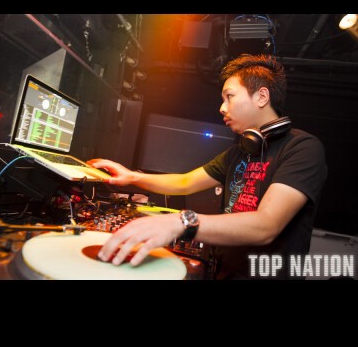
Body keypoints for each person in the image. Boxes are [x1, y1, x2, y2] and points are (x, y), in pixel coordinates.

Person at [88, 54, 327, 280]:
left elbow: (267, 225)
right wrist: (131, 177)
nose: (222, 108)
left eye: (229, 96)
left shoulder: (302, 148)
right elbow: (185, 182)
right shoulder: (240, 152)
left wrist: (181, 223)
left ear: (261, 97)